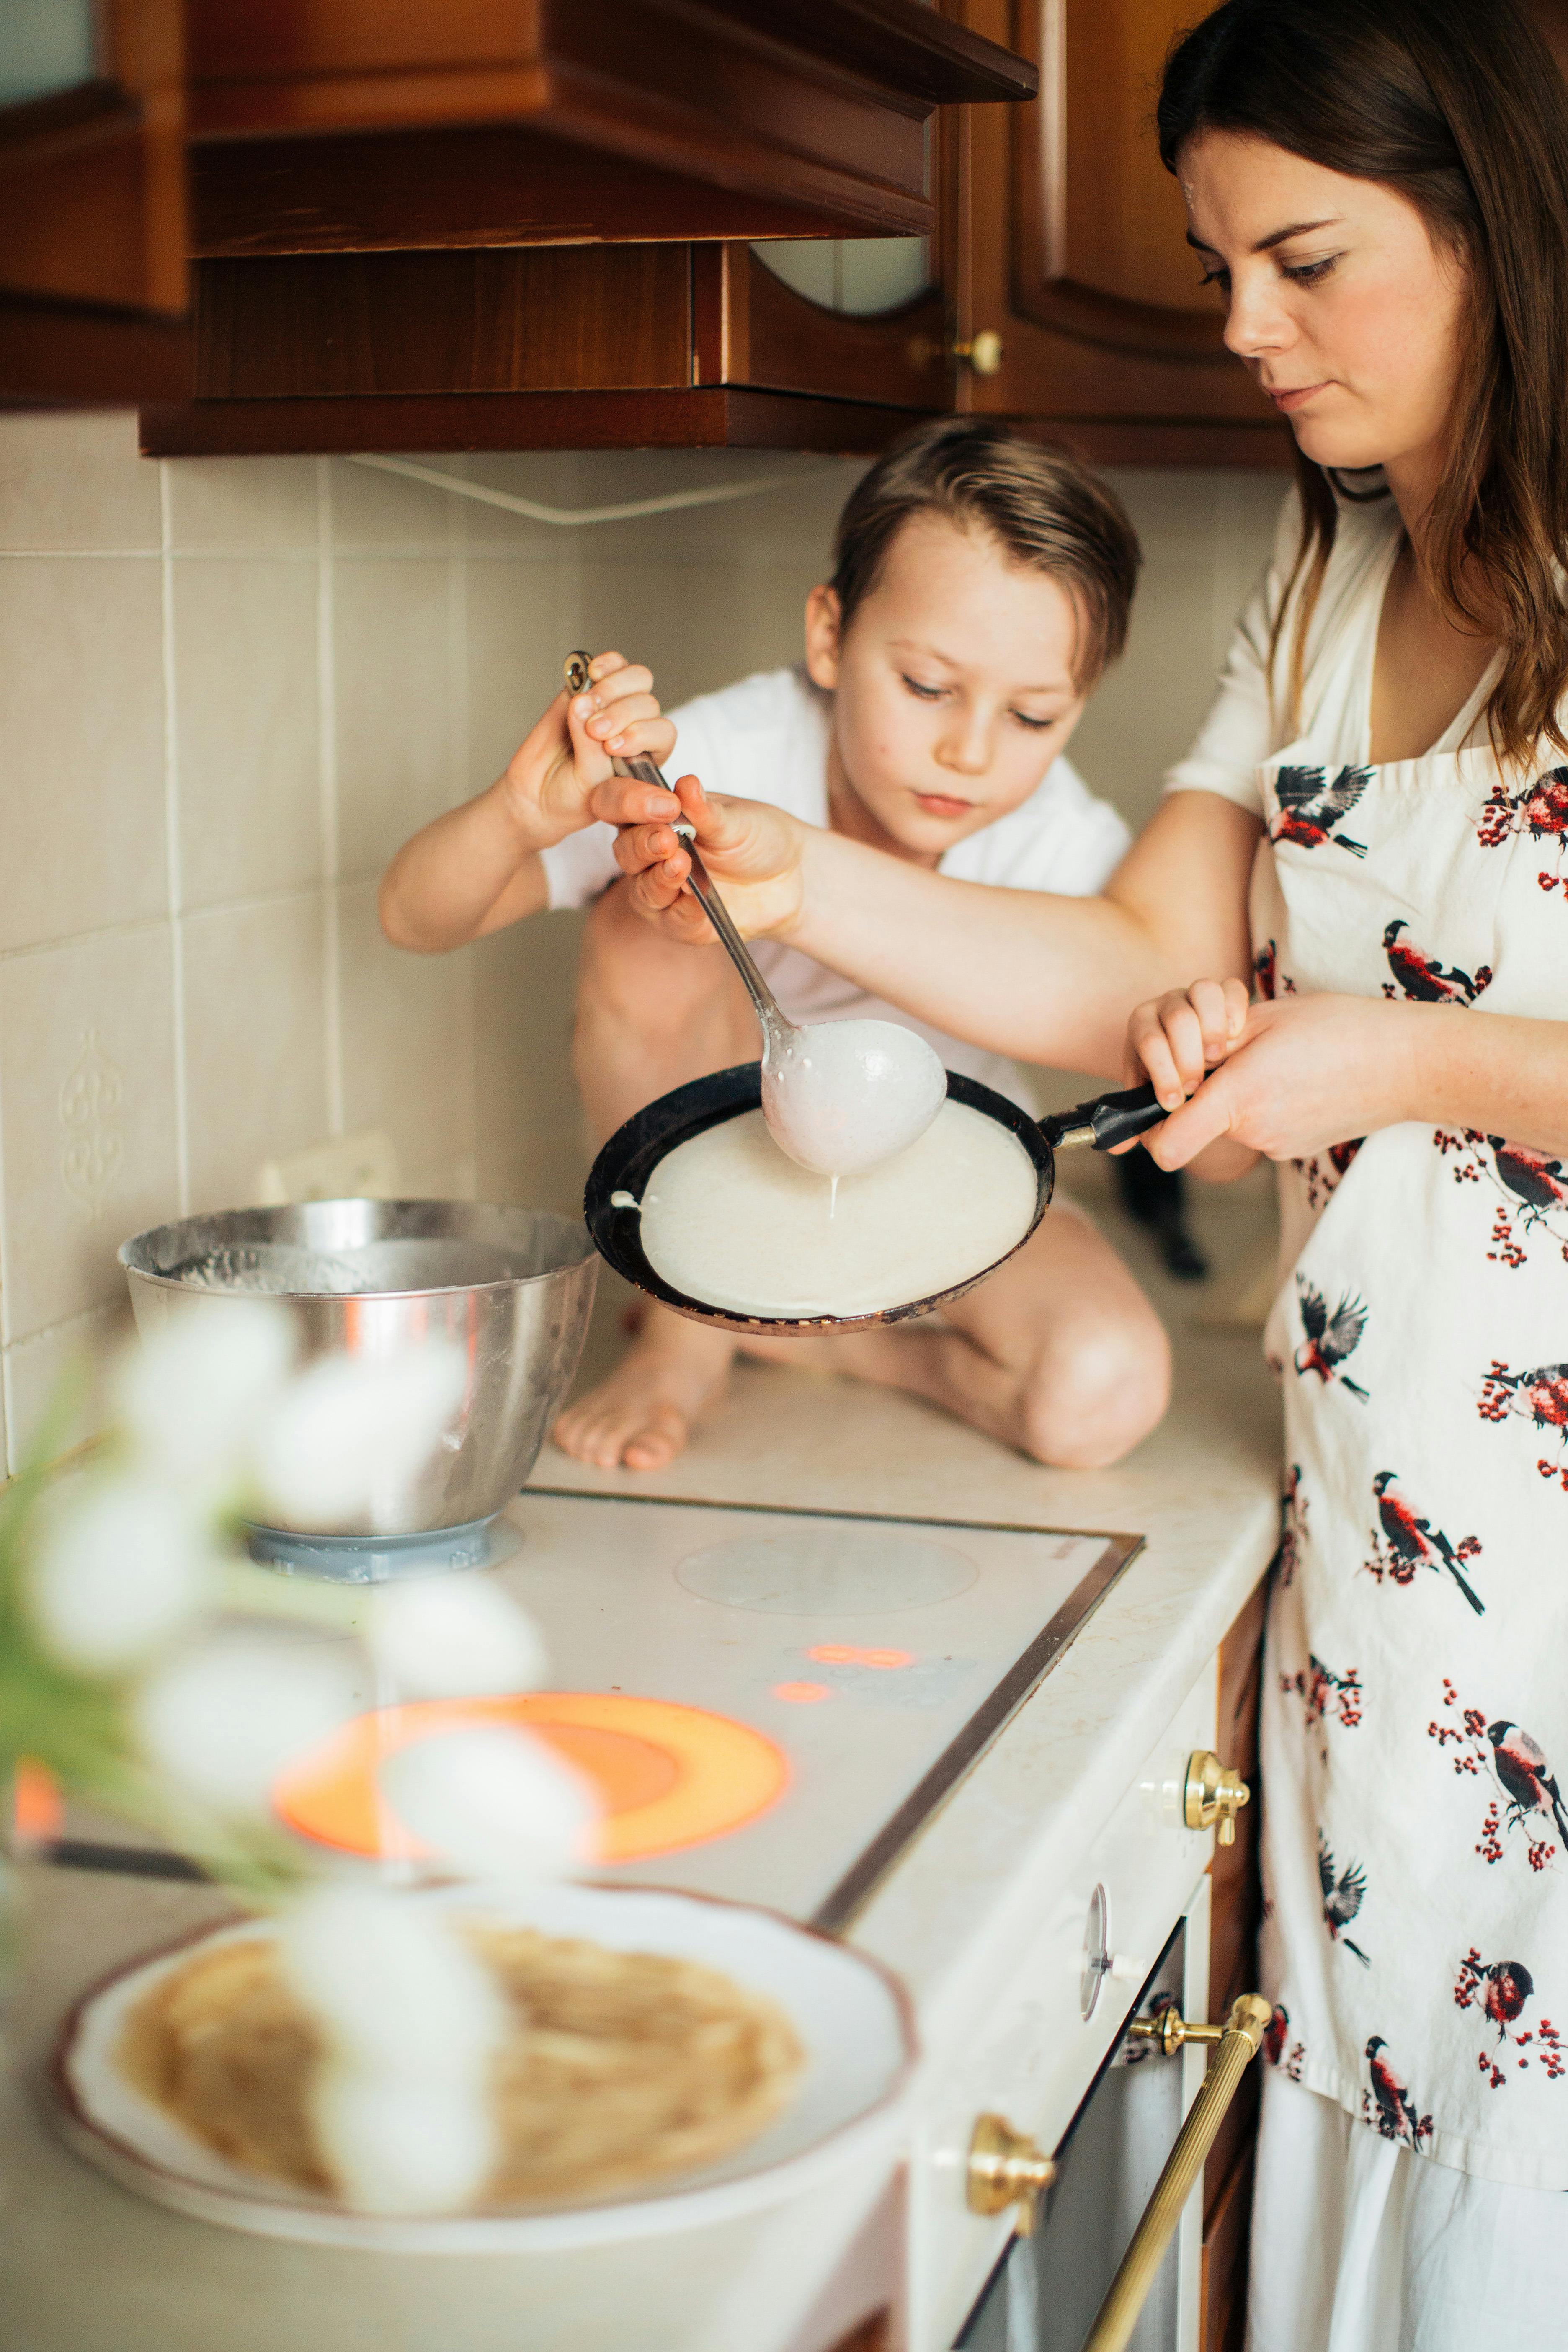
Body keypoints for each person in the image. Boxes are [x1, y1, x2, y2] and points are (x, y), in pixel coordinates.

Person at [606, 3, 1568, 2340]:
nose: (1244, 324)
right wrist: (792, 882)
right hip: (1391, 1516)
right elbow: (1138, 951)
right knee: (1386, 2136)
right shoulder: (1320, 580)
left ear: (1491, 225)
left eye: (1301, 258)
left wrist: (1396, 1053)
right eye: (1220, 261)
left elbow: (1413, 1043)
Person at [381, 419, 1173, 1475]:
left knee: (1104, 1392)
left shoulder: (1065, 841)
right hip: (722, 1186)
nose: (969, 751)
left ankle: (821, 1342)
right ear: (830, 638)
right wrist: (520, 817)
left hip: (945, 1185)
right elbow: (416, 916)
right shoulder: (725, 757)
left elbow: (1163, 1046)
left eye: (1032, 716)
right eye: (929, 687)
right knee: (651, 893)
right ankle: (693, 1323)